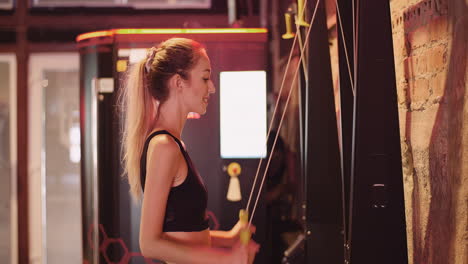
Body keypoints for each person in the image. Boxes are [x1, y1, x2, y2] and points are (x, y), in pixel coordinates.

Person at [119, 38, 259, 264]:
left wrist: (228, 239)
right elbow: (149, 243)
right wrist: (226, 260)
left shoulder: (173, 144)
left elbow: (180, 232)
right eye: (205, 78)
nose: (211, 87)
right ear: (178, 82)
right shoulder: (164, 146)